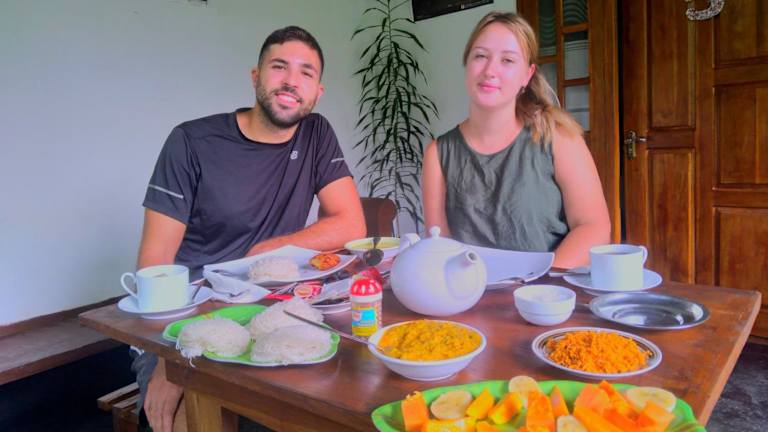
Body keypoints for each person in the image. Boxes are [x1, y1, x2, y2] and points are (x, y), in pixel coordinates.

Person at [132, 25, 366, 432]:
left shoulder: (315, 134)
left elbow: (350, 222)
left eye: (306, 72)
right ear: (256, 76)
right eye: (279, 67)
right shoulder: (191, 142)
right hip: (189, 317)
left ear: (317, 91)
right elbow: (153, 266)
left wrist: (270, 249)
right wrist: (174, 358)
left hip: (272, 313)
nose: (291, 81)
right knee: (189, 419)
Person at [422, 11, 610, 268]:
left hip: (547, 288)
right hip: (471, 290)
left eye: (507, 60)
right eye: (480, 56)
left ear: (527, 75)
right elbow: (439, 247)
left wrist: (538, 282)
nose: (490, 70)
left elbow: (593, 226)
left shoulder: (557, 136)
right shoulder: (437, 153)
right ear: (467, 64)